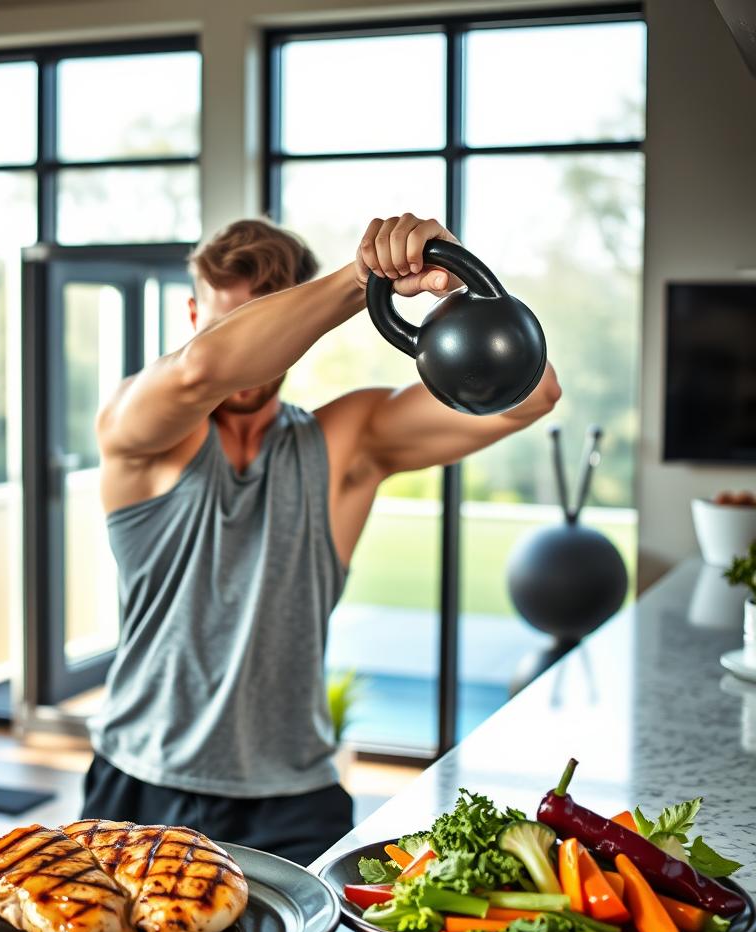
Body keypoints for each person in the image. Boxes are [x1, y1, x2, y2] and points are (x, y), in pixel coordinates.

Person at [81, 213, 561, 865]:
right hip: (143, 781)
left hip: (295, 797)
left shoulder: (343, 444)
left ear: (293, 332)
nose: (252, 358)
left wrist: (464, 289)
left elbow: (531, 395)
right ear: (194, 315)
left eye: (267, 322)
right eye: (229, 322)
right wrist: (366, 275)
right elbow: (205, 368)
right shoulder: (140, 432)